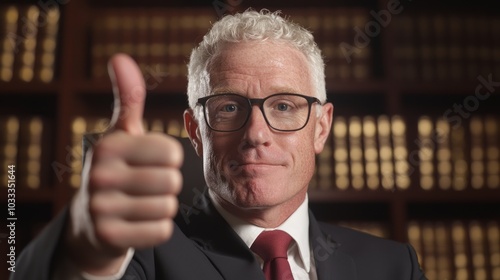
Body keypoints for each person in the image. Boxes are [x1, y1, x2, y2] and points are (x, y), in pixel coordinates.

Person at [13, 9, 426, 280]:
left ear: (321, 127)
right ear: (195, 131)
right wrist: (83, 254)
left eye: (284, 105)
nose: (256, 134)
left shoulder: (393, 267)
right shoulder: (139, 255)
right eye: (229, 107)